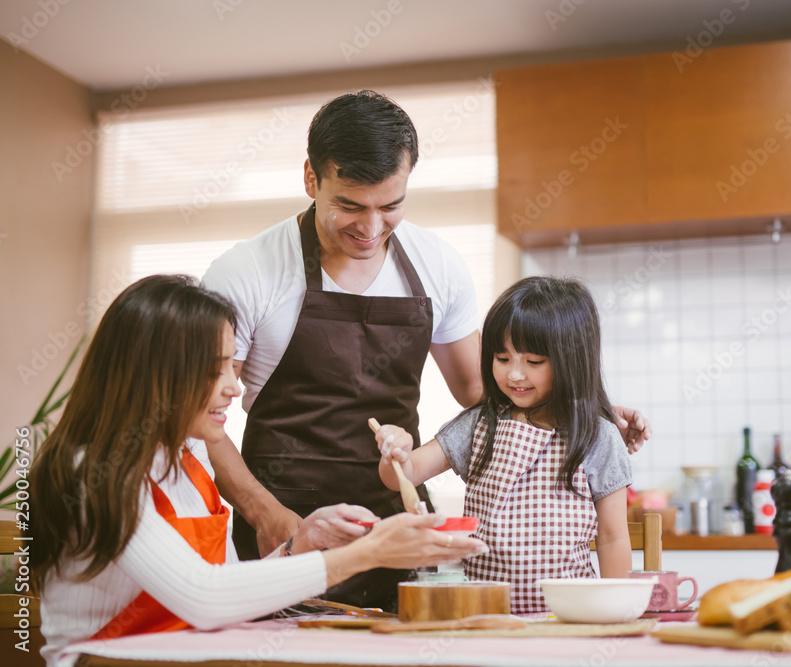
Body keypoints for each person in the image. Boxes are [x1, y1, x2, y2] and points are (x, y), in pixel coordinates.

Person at [200, 90, 650, 609]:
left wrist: (579, 407)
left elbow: (485, 391)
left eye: (390, 206)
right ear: (311, 178)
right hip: (287, 519)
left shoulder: (438, 265)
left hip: (397, 519)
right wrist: (264, 514)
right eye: (349, 205)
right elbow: (201, 415)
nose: (370, 229)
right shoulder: (248, 272)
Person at [29, 275, 487, 667]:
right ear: (155, 376)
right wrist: (369, 553)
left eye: (232, 364)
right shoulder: (91, 471)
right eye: (216, 370)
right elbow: (205, 598)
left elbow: (230, 591)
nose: (235, 385)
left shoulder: (188, 458)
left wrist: (300, 546)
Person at [374, 276, 632, 614]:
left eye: (534, 362)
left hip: (569, 618)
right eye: (502, 358)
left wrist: (615, 614)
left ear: (573, 360)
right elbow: (401, 478)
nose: (514, 375)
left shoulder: (598, 436)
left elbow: (612, 538)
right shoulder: (479, 424)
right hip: (485, 616)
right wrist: (397, 452)